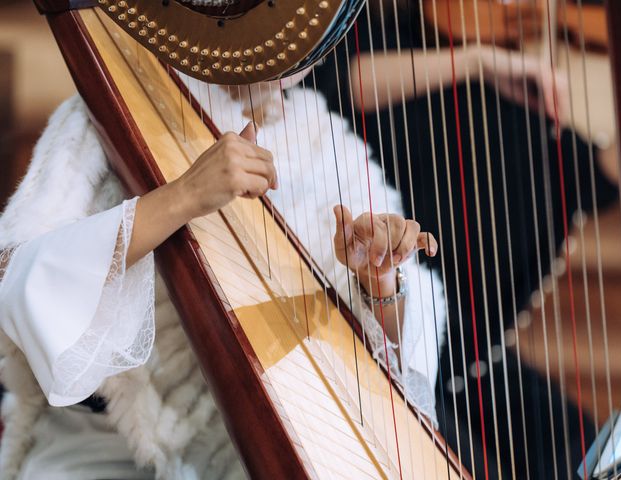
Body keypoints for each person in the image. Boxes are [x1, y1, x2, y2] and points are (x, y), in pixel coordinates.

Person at [0, 72, 446, 477]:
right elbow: (15, 278)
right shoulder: (102, 101)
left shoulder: (322, 134)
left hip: (262, 436)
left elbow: (393, 364)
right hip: (103, 445)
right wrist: (185, 196)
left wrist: (379, 280)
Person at [313, 1, 619, 479]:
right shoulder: (390, 28)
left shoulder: (513, 78)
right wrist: (476, 60)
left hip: (465, 341)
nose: (525, 9)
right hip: (389, 307)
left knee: (600, 452)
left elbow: (597, 174)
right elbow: (339, 82)